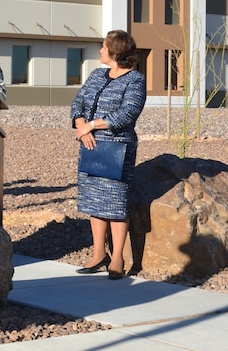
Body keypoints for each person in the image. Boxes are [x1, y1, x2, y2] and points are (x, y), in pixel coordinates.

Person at [70, 30, 146, 280]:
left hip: (117, 148)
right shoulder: (96, 75)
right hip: (90, 145)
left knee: (115, 202)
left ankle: (117, 258)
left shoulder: (135, 81)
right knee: (94, 201)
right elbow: (78, 102)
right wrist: (82, 126)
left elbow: (127, 115)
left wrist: (91, 126)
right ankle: (98, 254)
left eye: (104, 47)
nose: (100, 51)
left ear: (115, 52)